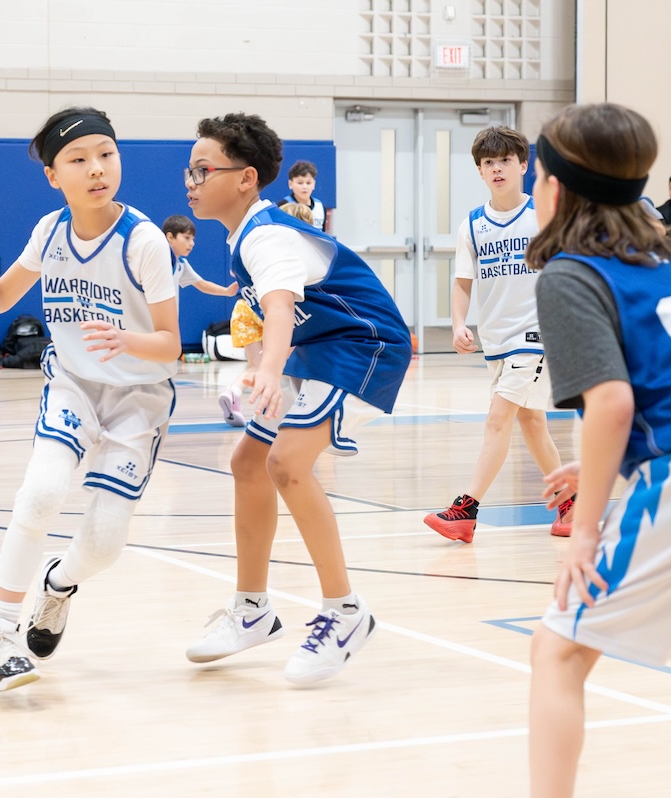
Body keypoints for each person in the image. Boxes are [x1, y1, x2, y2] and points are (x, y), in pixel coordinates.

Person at [526, 102, 671, 798]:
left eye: (537, 176)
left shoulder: (569, 274)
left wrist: (587, 529)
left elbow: (613, 403)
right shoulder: (662, 262)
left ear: (559, 188)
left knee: (559, 650)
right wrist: (611, 459)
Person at [183, 113, 412, 685]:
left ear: (245, 178)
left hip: (363, 343)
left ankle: (346, 612)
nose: (190, 180)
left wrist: (269, 368)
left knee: (286, 463)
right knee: (248, 463)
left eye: (202, 169)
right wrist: (266, 366)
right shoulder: (244, 237)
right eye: (188, 169)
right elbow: (273, 316)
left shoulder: (266, 236)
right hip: (320, 346)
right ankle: (253, 610)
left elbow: (282, 308)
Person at [0, 107, 180, 691]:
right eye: (78, 159)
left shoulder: (144, 240)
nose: (96, 169)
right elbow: (3, 296)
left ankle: (58, 587)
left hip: (138, 398)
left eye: (106, 154)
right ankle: (1, 634)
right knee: (41, 494)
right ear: (53, 175)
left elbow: (171, 346)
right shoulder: (49, 231)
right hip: (75, 387)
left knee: (105, 544)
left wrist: (126, 338)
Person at [424, 127, 570, 543]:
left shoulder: (543, 214)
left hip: (537, 333)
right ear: (480, 171)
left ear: (523, 165)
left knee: (497, 419)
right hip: (496, 336)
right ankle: (570, 502)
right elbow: (463, 281)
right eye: (489, 163)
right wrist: (457, 322)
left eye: (505, 160)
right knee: (532, 422)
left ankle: (465, 510)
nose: (497, 168)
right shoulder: (472, 223)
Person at [217, 203, 311, 427]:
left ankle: (234, 391)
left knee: (256, 366)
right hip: (267, 307)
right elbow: (282, 307)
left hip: (243, 307)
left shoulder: (251, 245)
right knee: (282, 362)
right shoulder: (289, 255)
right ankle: (294, 411)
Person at [162, 214, 237, 299]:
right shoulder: (156, 259)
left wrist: (228, 291)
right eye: (187, 238)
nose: (192, 243)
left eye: (192, 239)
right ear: (170, 237)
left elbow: (202, 285)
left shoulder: (182, 264)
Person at [280, 160, 328, 232]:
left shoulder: (320, 207)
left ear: (314, 184)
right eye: (300, 183)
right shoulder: (283, 206)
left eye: (308, 183)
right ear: (290, 184)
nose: (305, 187)